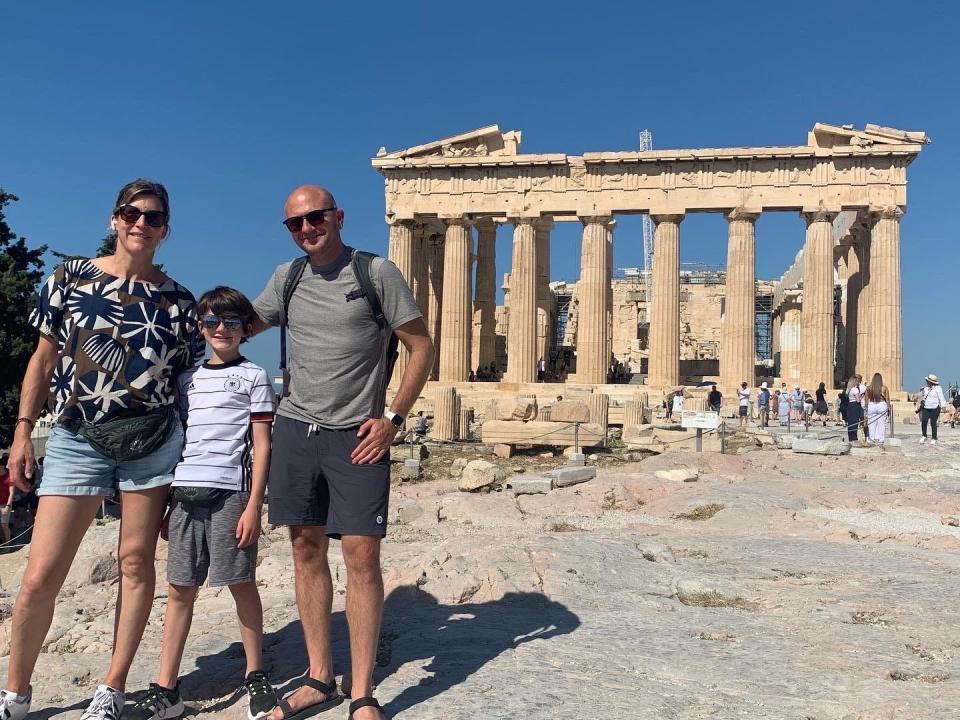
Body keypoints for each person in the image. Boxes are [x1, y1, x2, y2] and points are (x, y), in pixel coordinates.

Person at [0, 179, 202, 720]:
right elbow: (42, 361)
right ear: (115, 219)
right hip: (75, 437)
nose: (141, 223)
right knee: (42, 572)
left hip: (152, 444)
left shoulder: (180, 302)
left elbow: (188, 387)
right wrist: (22, 432)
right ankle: (15, 694)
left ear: (166, 228)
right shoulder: (69, 278)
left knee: (135, 562)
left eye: (153, 216)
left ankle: (110, 688)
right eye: (131, 213)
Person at [251, 185, 433, 720]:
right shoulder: (287, 279)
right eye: (296, 223)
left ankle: (362, 692)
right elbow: (235, 325)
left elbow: (421, 345)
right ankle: (318, 677)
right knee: (305, 548)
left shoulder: (375, 273)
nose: (308, 228)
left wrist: (394, 418)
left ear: (338, 216)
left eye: (316, 217)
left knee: (361, 554)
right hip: (295, 428)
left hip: (358, 433)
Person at [124, 287, 277, 720]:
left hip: (231, 493)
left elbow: (262, 445)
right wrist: (169, 502)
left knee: (239, 582)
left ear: (246, 329)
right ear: (200, 327)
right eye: (211, 322)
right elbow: (181, 441)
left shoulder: (254, 377)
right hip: (187, 493)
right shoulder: (186, 380)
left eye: (230, 322)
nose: (220, 329)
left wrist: (254, 506)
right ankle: (166, 687)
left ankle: (255, 673)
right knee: (178, 589)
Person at [918, 373, 947, 444]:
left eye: (927, 381)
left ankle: (934, 438)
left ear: (931, 382)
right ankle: (924, 435)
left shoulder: (938, 388)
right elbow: (924, 397)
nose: (926, 382)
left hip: (935, 407)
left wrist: (943, 406)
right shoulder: (926, 389)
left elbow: (941, 397)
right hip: (926, 407)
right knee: (924, 421)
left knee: (933, 423)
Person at [864, 372, 890, 445]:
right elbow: (887, 399)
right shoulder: (884, 388)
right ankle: (881, 440)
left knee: (871, 423)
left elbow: (866, 401)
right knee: (881, 424)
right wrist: (889, 408)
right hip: (881, 405)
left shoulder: (868, 388)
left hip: (872, 405)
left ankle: (872, 439)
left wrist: (866, 409)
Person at [845, 376, 864, 442]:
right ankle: (854, 438)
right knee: (855, 422)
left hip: (850, 405)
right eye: (856, 381)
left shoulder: (849, 389)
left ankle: (851, 438)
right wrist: (862, 396)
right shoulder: (855, 389)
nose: (857, 382)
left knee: (850, 422)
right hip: (855, 405)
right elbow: (858, 400)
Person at [0, 455, 11, 545]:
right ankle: (2, 543)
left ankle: (8, 544)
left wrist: (8, 506)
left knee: (4, 525)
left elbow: (12, 493)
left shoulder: (9, 477)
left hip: (5, 504)